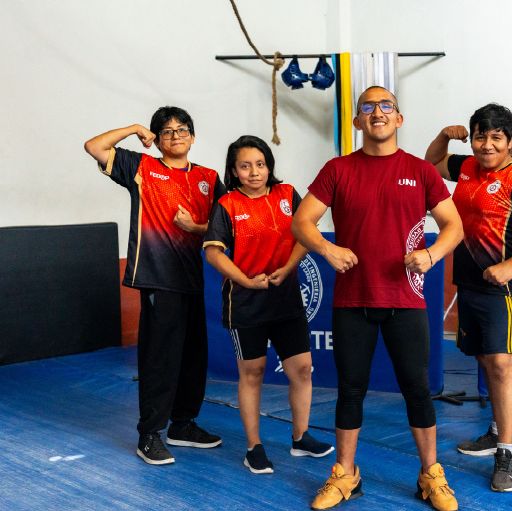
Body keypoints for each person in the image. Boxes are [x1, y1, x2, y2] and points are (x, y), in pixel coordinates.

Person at [292, 86, 463, 511]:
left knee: (417, 389)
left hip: (406, 298)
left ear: (399, 118)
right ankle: (345, 474)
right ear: (357, 121)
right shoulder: (338, 169)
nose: (377, 112)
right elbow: (301, 222)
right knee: (350, 390)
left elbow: (454, 226)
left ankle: (430, 474)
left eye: (386, 105)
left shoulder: (420, 170)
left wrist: (431, 255)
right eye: (367, 107)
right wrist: (328, 249)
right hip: (353, 300)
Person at [424, 103, 512, 492]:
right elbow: (432, 164)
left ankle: (506, 452)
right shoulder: (466, 167)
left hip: (502, 289)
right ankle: (498, 429)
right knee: (484, 359)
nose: (486, 145)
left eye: (496, 137)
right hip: (469, 285)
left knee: (501, 364)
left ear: (508, 140)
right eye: (480, 136)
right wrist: (443, 137)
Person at [83, 106, 224, 465]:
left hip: (193, 280)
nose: (176, 136)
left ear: (193, 136)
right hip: (158, 279)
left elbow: (227, 225)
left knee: (194, 357)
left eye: (182, 129)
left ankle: (183, 425)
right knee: (160, 359)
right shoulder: (142, 168)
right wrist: (134, 128)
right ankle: (149, 434)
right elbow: (94, 146)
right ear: (158, 140)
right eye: (167, 131)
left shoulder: (209, 177)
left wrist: (195, 228)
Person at [203, 135, 334, 474]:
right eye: (245, 166)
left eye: (260, 164)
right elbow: (213, 252)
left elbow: (307, 232)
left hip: (286, 300)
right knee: (253, 373)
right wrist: (246, 281)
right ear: (234, 170)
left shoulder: (286, 194)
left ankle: (301, 437)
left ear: (269, 166)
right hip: (246, 303)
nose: (254, 172)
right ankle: (254, 447)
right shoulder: (227, 204)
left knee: (302, 369)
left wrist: (288, 268)